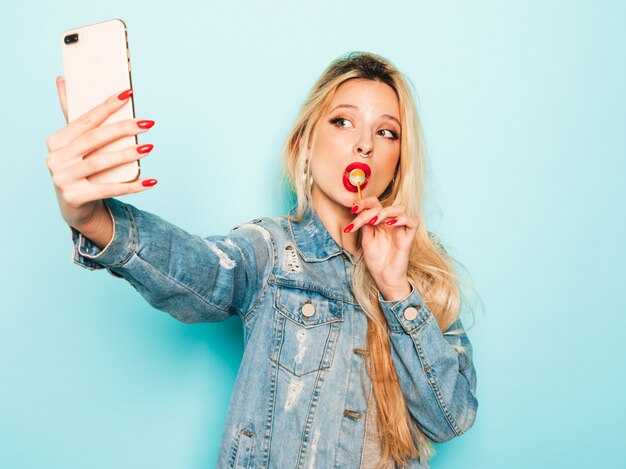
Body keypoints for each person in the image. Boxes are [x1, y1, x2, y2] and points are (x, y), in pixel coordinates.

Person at [45, 51, 478, 469]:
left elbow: (451, 418)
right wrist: (94, 218)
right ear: (306, 145)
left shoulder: (424, 279)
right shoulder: (271, 250)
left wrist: (396, 291)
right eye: (342, 122)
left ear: (398, 161)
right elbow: (200, 270)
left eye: (387, 132)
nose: (364, 145)